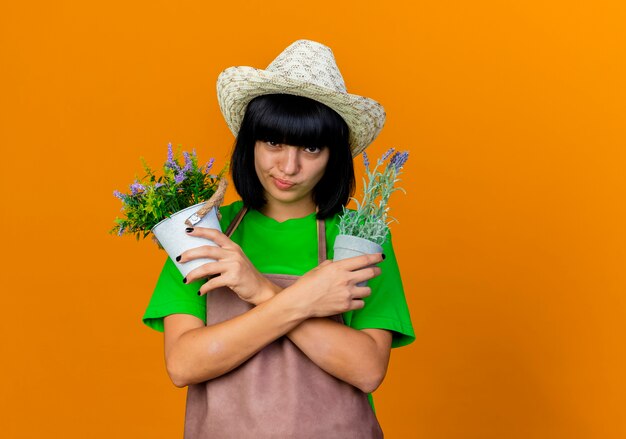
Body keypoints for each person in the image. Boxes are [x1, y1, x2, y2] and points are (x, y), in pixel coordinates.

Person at [143, 40, 415, 438]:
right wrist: (306, 298)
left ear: (333, 155)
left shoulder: (359, 237)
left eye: (311, 147)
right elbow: (184, 365)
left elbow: (367, 370)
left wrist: (259, 290)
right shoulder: (204, 230)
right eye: (274, 143)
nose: (289, 166)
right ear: (250, 142)